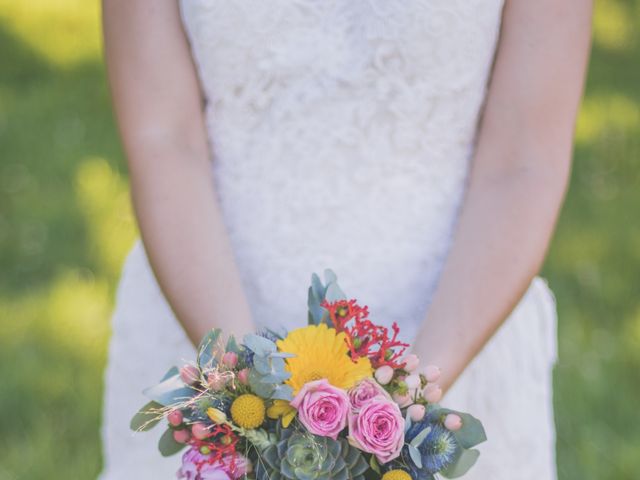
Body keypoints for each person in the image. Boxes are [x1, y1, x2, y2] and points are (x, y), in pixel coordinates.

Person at [98, 0, 592, 478]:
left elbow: (523, 160)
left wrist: (406, 411)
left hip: (460, 320)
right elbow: (164, 138)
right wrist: (246, 400)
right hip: (202, 306)